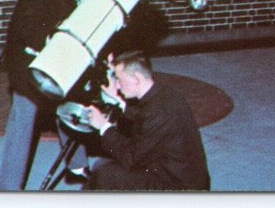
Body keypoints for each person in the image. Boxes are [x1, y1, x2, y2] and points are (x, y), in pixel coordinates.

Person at [0, 0, 100, 190]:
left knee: (69, 104)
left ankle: (77, 166)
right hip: (28, 59)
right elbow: (24, 25)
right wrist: (53, 37)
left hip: (61, 57)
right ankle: (8, 190)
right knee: (24, 119)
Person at [85, 51, 211, 191]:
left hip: (177, 185)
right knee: (104, 167)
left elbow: (130, 159)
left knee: (105, 175)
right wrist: (119, 100)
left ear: (137, 78)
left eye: (119, 79)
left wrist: (103, 127)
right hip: (184, 174)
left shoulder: (157, 113)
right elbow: (143, 115)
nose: (118, 85)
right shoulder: (165, 92)